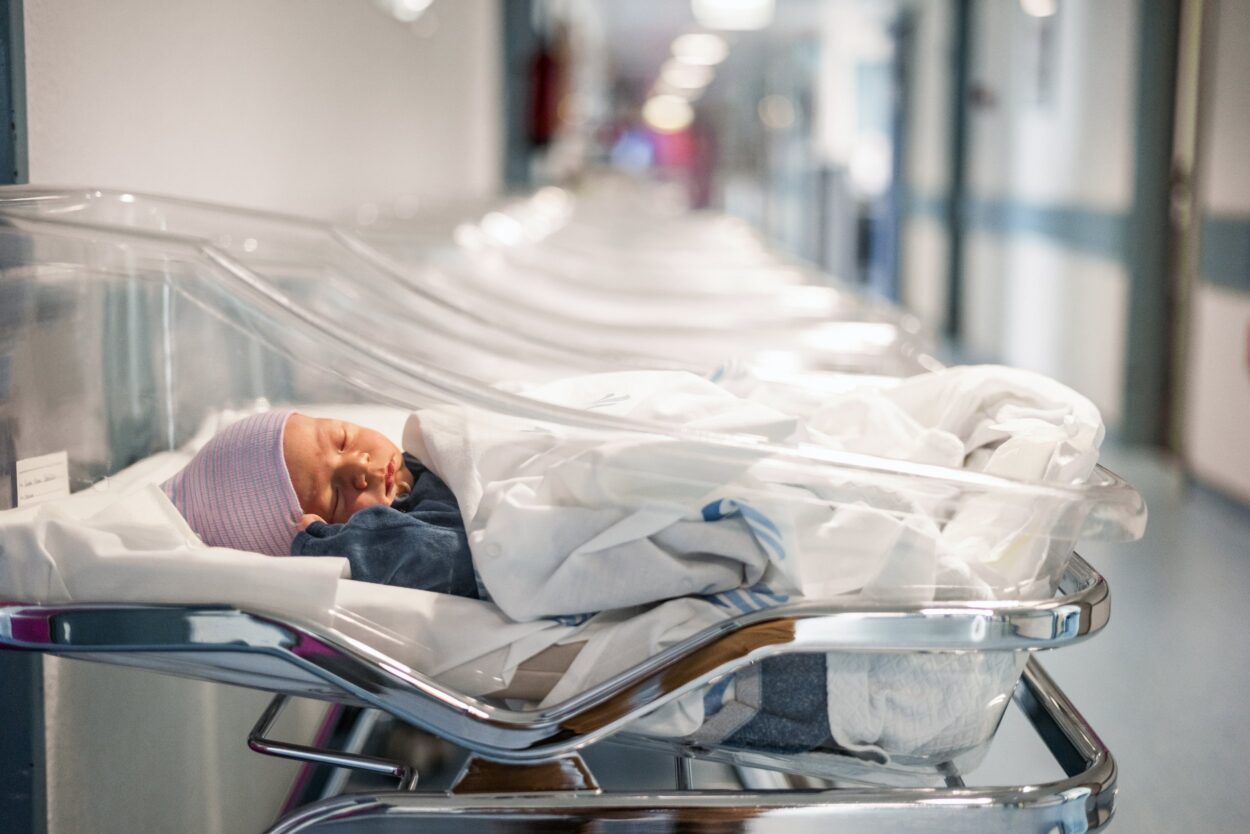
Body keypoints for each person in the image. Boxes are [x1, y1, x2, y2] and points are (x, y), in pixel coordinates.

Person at [161, 409, 479, 597]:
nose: (359, 466)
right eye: (337, 496)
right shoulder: (415, 525)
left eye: (342, 440)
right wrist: (353, 549)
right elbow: (457, 557)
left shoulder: (429, 458)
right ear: (329, 533)